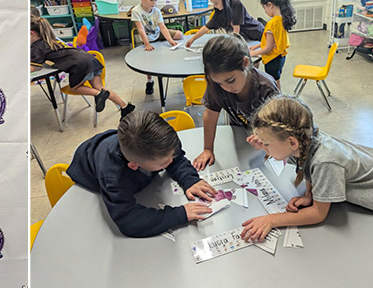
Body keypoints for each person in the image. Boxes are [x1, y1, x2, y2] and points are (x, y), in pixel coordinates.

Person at [238, 95, 373, 287]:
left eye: (266, 144)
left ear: (292, 142)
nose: (264, 149)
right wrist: (309, 194)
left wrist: (272, 219)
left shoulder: (325, 160)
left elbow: (318, 213)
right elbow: (306, 163)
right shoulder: (304, 140)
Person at [66, 110, 216, 238]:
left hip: (130, 149)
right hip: (89, 169)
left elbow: (177, 159)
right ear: (134, 165)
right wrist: (180, 214)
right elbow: (129, 221)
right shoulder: (114, 177)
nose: (171, 161)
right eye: (163, 163)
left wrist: (189, 179)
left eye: (171, 155)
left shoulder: (164, 144)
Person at [192, 34, 279, 171]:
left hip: (265, 142)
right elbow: (210, 114)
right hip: (239, 136)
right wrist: (208, 149)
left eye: (230, 80)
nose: (226, 88)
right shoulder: (217, 83)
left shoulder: (266, 87)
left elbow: (278, 126)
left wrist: (264, 140)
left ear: (245, 63)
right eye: (219, 83)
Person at [30, 16, 135, 117]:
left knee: (74, 88)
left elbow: (31, 69)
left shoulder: (37, 47)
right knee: (102, 89)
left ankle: (99, 94)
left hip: (80, 65)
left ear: (31, 33)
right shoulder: (52, 40)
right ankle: (125, 107)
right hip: (90, 59)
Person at [132, 0, 183, 95]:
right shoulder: (136, 11)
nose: (154, 2)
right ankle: (149, 81)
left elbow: (163, 28)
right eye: (151, 0)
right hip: (148, 38)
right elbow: (140, 29)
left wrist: (170, 41)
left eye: (155, 0)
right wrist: (147, 44)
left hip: (158, 33)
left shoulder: (156, 11)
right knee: (148, 60)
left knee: (180, 35)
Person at [249, 0, 296, 89]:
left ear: (270, 5)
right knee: (276, 79)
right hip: (280, 57)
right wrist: (257, 46)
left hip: (272, 60)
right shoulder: (282, 19)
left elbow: (268, 48)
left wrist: (252, 53)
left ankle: (277, 99)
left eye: (264, 8)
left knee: (273, 83)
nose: (265, 11)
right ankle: (278, 97)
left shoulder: (272, 23)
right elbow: (275, 40)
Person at [185, 0, 264, 48]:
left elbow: (236, 29)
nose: (215, 6)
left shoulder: (235, 3)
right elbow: (206, 27)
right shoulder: (219, 10)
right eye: (213, 4)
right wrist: (192, 39)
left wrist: (229, 46)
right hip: (244, 37)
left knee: (253, 61)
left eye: (216, 3)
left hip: (255, 32)